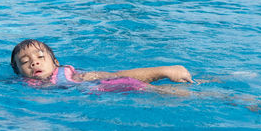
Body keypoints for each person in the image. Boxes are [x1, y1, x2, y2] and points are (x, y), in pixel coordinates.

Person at [11, 39, 195, 95]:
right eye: (25, 62)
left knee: (132, 83)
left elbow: (115, 76)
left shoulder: (72, 76)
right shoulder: (20, 85)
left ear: (56, 63)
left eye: (40, 57)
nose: (34, 62)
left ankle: (170, 74)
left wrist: (162, 71)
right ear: (18, 72)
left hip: (101, 88)